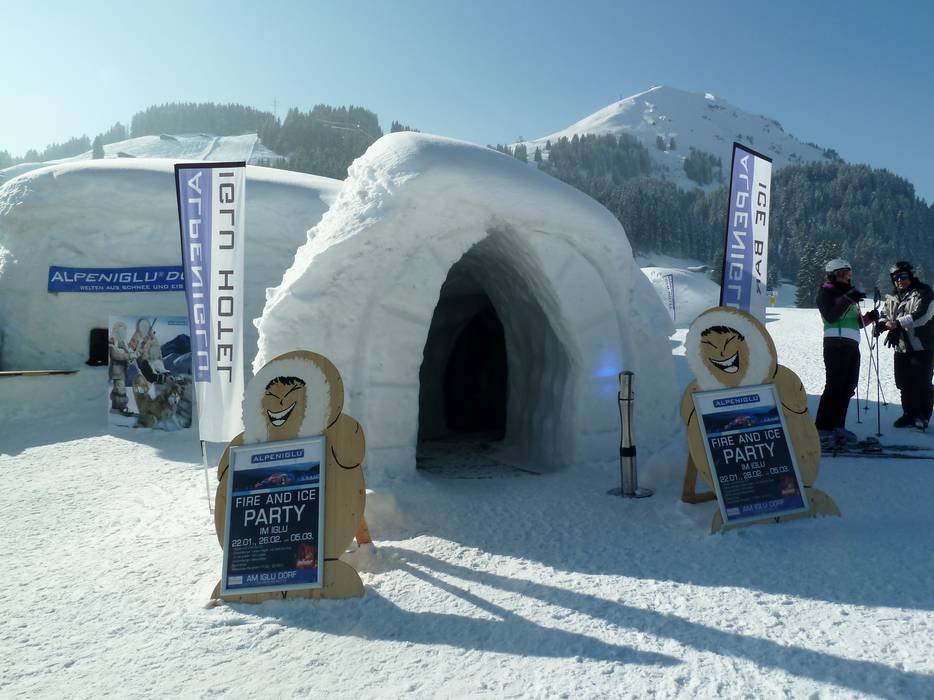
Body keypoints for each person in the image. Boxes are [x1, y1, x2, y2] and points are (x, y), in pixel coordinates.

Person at [815, 258, 878, 445]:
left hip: (851, 345)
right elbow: (831, 316)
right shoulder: (826, 292)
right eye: (843, 274)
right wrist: (848, 298)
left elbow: (857, 323)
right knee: (834, 386)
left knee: (848, 387)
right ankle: (822, 427)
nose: (847, 277)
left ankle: (838, 425)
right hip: (835, 344)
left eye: (849, 273)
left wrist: (870, 317)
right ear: (833, 275)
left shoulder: (847, 295)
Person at [876, 261, 934, 430]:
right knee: (903, 382)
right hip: (901, 346)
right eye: (896, 278)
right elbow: (884, 313)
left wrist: (897, 324)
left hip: (922, 346)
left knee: (922, 382)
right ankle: (909, 414)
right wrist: (882, 324)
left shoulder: (924, 292)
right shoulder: (892, 297)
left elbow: (923, 315)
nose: (899, 281)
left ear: (910, 276)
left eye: (903, 276)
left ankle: (922, 416)